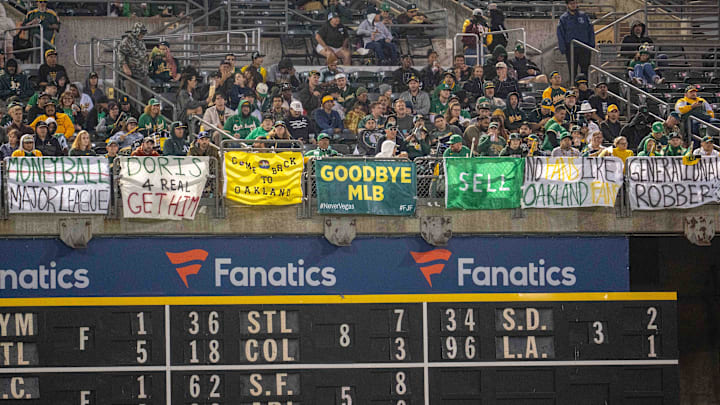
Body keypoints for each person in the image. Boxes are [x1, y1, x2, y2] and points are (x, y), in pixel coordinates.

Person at [557, 0, 594, 82]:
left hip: (584, 47)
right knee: (572, 69)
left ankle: (585, 87)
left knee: (585, 69)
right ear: (567, 5)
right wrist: (563, 48)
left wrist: (591, 45)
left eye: (575, 3)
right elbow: (560, 34)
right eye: (571, 3)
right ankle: (574, 87)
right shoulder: (564, 18)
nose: (573, 5)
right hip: (571, 48)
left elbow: (590, 30)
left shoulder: (583, 16)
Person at [118, 23, 149, 102]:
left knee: (148, 95)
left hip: (142, 73)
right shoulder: (127, 41)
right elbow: (120, 53)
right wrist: (124, 66)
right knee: (132, 96)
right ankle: (133, 113)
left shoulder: (141, 41)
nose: (142, 35)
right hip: (132, 74)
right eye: (141, 33)